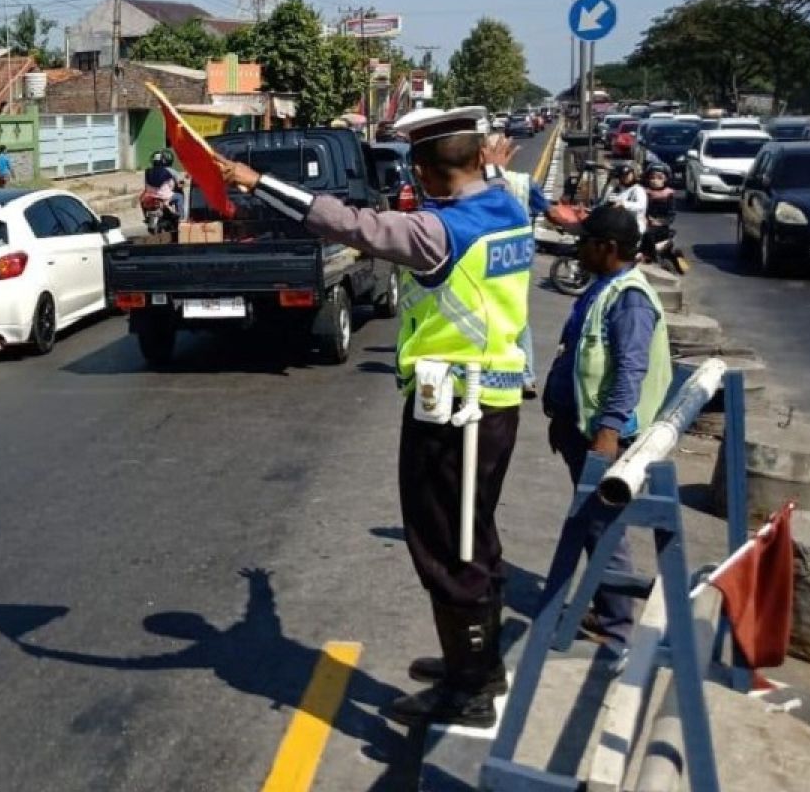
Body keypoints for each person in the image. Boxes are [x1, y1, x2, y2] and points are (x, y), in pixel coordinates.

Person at [219, 107, 535, 728]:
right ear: (481, 159)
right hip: (494, 405)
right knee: (477, 536)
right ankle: (477, 662)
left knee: (447, 548)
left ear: (422, 169)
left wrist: (259, 184)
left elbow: (349, 224)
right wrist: (262, 597)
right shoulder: (508, 209)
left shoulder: (438, 235)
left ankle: (469, 689)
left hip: (453, 416)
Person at [542, 204, 672, 651]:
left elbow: (630, 370)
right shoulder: (605, 287)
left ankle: (618, 631)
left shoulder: (630, 300)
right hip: (582, 429)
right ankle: (607, 608)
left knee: (601, 527)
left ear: (608, 248)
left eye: (584, 242)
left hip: (607, 436)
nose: (577, 249)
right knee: (595, 526)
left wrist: (609, 431)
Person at [497, 145, 584, 401]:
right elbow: (552, 213)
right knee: (516, 314)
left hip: (482, 253)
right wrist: (580, 227)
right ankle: (525, 375)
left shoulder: (472, 184)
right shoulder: (524, 183)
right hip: (518, 256)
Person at [641, 163, 676, 262]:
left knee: (648, 234)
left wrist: (659, 222)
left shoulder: (669, 194)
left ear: (665, 179)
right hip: (644, 222)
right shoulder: (643, 193)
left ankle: (651, 256)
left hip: (660, 227)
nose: (655, 181)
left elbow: (671, 216)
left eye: (659, 178)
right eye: (652, 178)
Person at [605, 164, 648, 238]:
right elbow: (605, 202)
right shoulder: (616, 189)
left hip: (634, 223)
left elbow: (641, 205)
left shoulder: (638, 189)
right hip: (616, 222)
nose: (626, 177)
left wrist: (624, 204)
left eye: (628, 174)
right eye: (622, 175)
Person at [143, 150, 187, 220]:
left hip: (150, 196)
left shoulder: (147, 171)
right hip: (164, 196)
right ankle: (181, 219)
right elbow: (176, 184)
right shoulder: (170, 171)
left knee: (143, 199)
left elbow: (146, 185)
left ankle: (147, 217)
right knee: (179, 196)